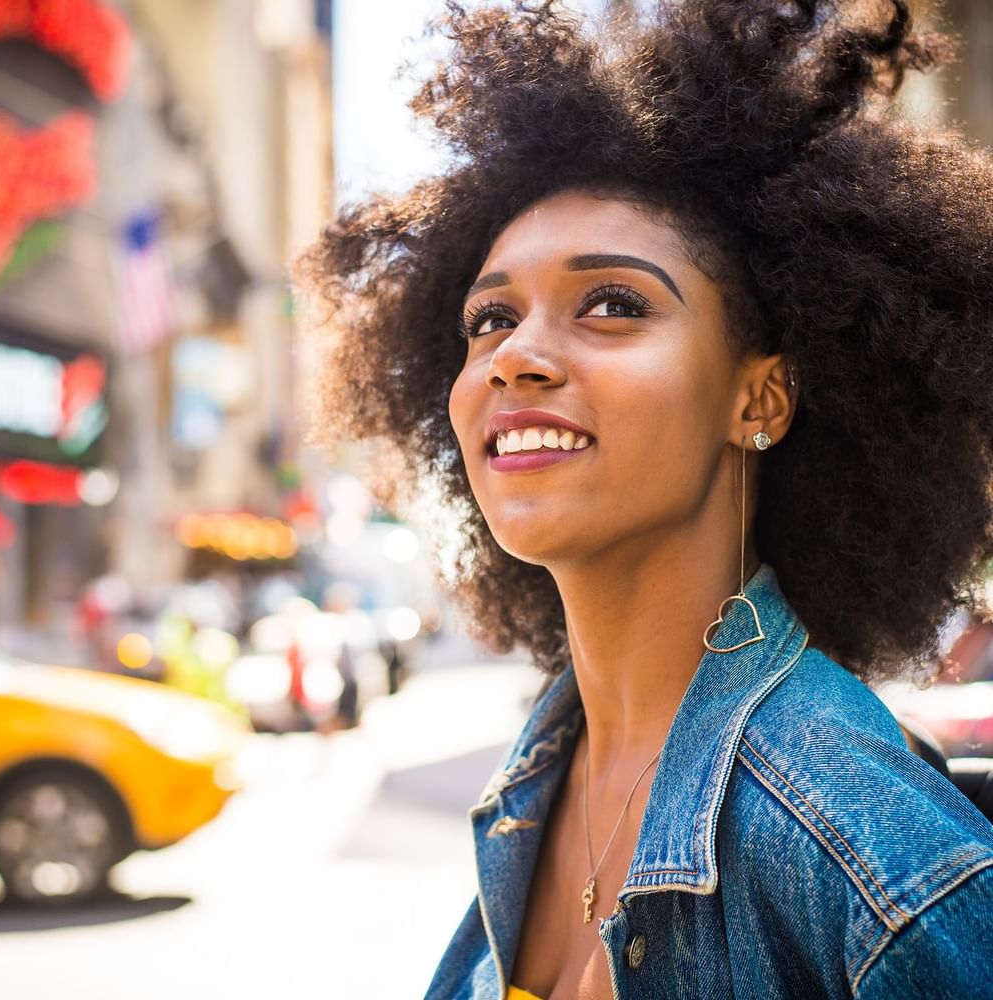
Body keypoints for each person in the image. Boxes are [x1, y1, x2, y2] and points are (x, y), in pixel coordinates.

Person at [296, 1, 993, 996]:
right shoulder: (534, 788)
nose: (515, 357)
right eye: (488, 319)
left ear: (758, 395)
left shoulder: (876, 863)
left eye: (613, 303)